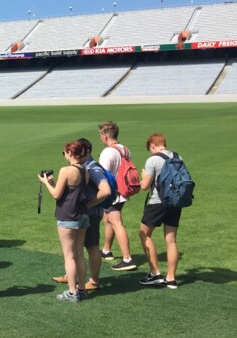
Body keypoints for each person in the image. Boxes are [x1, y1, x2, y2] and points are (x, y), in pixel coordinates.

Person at [52, 139, 112, 290]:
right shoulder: (84, 168)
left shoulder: (92, 169)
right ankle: (72, 276)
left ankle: (93, 280)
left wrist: (88, 205)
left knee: (91, 247)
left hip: (89, 212)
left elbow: (105, 190)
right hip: (82, 212)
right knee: (76, 251)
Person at [40, 141, 90, 303]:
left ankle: (72, 291)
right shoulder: (85, 171)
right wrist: (54, 183)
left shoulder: (66, 170)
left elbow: (56, 195)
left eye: (65, 153)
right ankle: (82, 289)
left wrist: (46, 182)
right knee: (79, 254)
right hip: (82, 215)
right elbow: (69, 191)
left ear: (70, 153)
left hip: (68, 216)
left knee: (69, 256)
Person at [138, 134, 183, 289]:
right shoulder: (178, 156)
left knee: (144, 233)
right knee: (171, 240)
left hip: (158, 201)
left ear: (152, 146)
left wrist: (143, 176)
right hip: (175, 202)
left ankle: (155, 273)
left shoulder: (153, 160)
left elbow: (144, 186)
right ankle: (171, 278)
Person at [98, 121, 137, 272]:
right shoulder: (125, 149)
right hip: (123, 190)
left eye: (101, 135)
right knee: (108, 219)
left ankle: (127, 258)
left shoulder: (108, 152)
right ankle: (106, 250)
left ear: (105, 135)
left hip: (113, 192)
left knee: (116, 222)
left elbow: (101, 174)